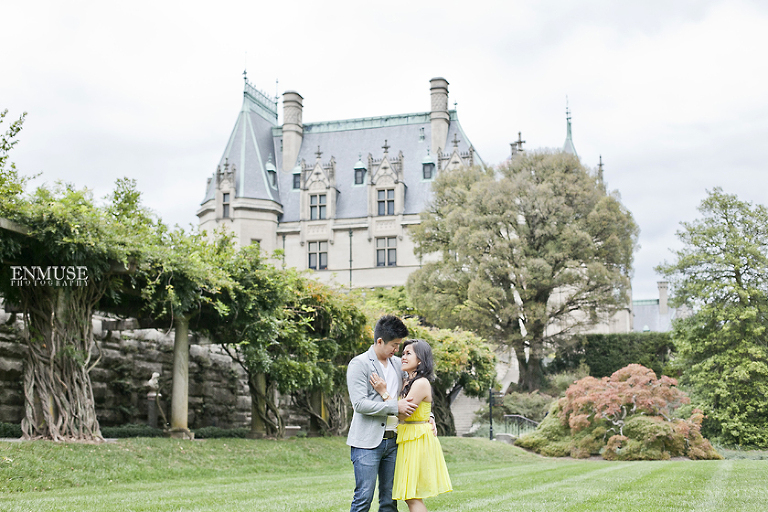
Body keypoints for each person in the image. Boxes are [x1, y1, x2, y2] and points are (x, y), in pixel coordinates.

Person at [372, 339, 452, 512]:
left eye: (409, 353)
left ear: (420, 360)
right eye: (403, 353)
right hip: (408, 437)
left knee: (412, 496)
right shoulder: (407, 381)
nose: (403, 357)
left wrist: (384, 393)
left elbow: (402, 413)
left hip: (417, 439)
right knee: (410, 495)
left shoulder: (420, 383)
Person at [346, 315, 415, 512]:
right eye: (394, 345)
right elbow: (360, 404)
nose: (397, 350)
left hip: (394, 442)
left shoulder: (398, 364)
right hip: (366, 443)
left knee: (390, 500)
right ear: (379, 341)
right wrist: (395, 407)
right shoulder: (359, 364)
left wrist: (430, 416)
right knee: (363, 498)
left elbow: (414, 392)